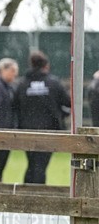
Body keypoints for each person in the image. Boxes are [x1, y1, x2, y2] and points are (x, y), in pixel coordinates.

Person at [13, 50, 71, 184]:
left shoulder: (22, 84)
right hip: (49, 131)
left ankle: (28, 192)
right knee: (40, 165)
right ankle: (38, 194)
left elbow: (14, 106)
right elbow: (68, 103)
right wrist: (60, 115)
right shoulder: (54, 83)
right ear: (46, 65)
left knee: (33, 163)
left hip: (27, 131)